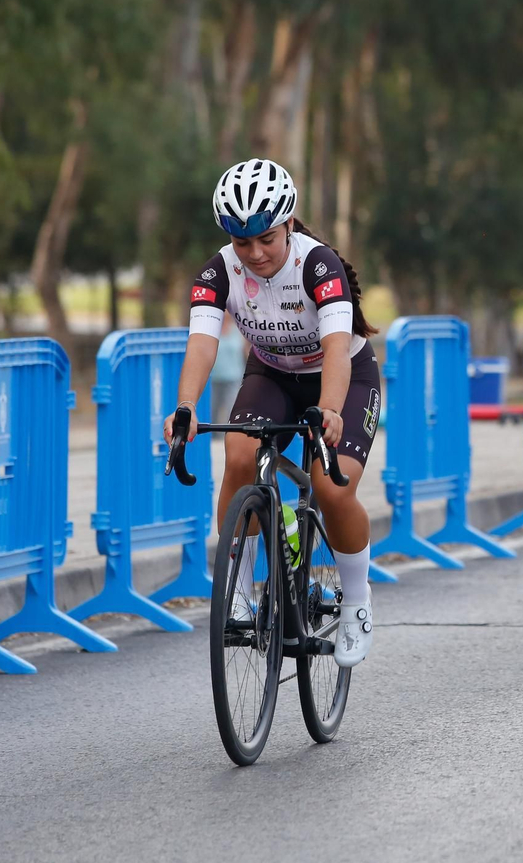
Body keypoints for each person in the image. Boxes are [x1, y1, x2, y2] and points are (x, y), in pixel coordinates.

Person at [166, 158, 382, 668]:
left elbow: (334, 347)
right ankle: (238, 593)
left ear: (288, 224)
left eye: (266, 238)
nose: (256, 253)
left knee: (331, 486)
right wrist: (186, 407)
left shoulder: (318, 264)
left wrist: (329, 410)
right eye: (243, 243)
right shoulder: (219, 270)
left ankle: (356, 600)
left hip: (344, 376)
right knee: (238, 454)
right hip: (272, 376)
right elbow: (201, 342)